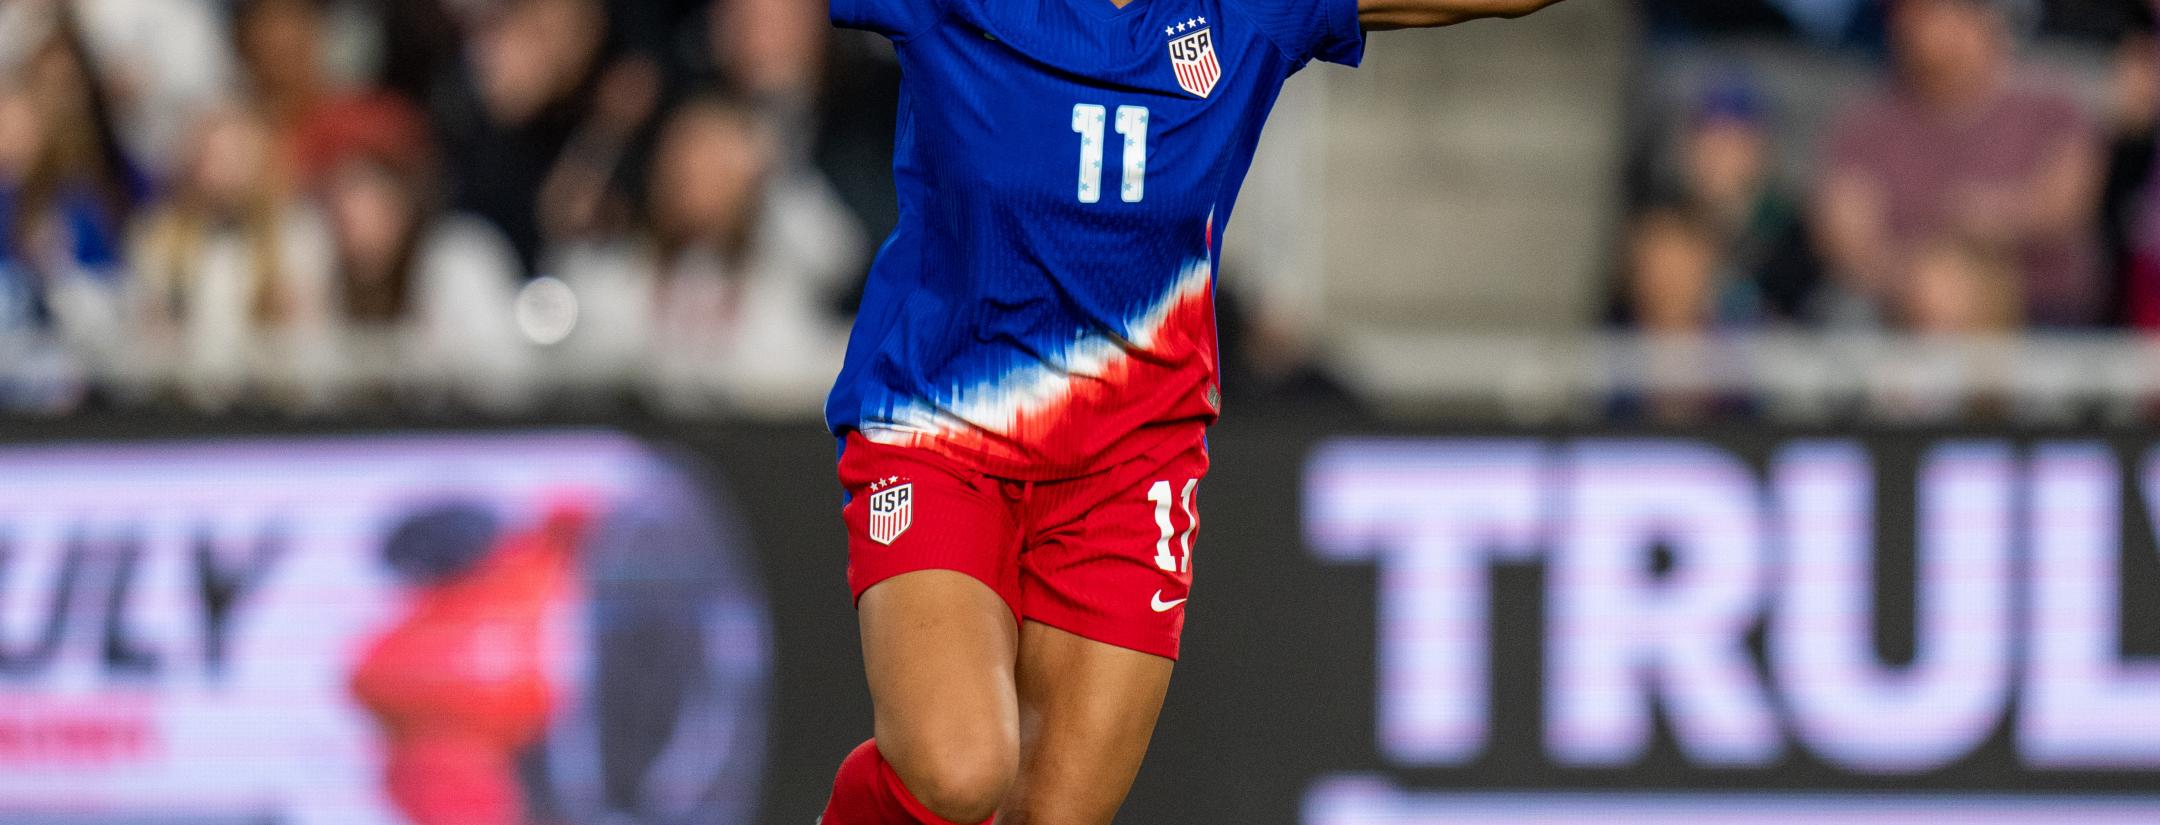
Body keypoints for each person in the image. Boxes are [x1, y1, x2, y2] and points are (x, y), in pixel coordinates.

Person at [816, 0, 1575, 823]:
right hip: (939, 432)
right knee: (960, 771)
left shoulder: (1248, 10)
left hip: (1130, 464)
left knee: (1051, 813)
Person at [1814, 0, 2105, 327]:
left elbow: (2065, 207)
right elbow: (1845, 237)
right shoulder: (1864, 123)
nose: (1920, 26)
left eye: (1937, 11)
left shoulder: (2051, 107)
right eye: (1910, 13)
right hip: (1900, 318)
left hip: (2041, 315)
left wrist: (1989, 221)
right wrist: (1924, 276)